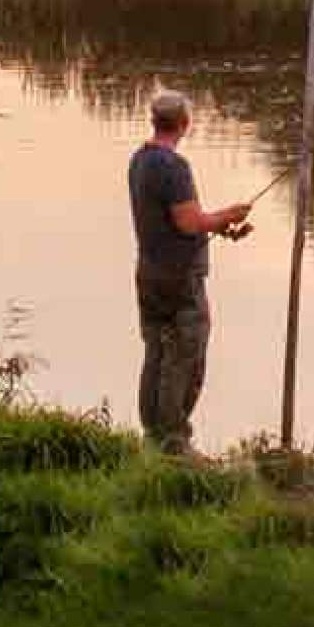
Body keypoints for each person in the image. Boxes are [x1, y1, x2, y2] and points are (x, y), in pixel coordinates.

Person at [128, 90, 256, 456]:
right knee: (185, 356)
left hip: (150, 273)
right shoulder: (173, 167)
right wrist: (228, 215)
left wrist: (217, 228)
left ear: (155, 121)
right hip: (180, 279)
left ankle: (152, 436)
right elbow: (188, 222)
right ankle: (174, 443)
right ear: (185, 124)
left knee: (156, 353)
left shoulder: (140, 160)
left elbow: (175, 221)